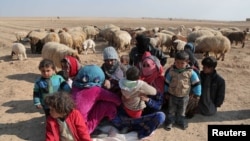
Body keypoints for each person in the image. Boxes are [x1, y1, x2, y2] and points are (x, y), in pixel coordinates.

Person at [111, 52, 166, 140]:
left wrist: (148, 100)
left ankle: (134, 128)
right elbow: (119, 87)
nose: (145, 68)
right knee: (111, 110)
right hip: (129, 112)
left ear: (156, 66)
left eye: (149, 65)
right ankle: (132, 127)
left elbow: (158, 105)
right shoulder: (135, 80)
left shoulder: (159, 82)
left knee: (160, 116)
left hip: (145, 115)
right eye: (144, 65)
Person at [71, 64, 121, 134]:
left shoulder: (75, 86)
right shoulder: (96, 90)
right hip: (84, 129)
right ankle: (116, 121)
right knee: (107, 104)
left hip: (71, 126)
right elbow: (116, 100)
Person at [164, 50, 201, 131]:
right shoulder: (171, 71)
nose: (179, 65)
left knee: (182, 110)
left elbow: (196, 83)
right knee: (171, 109)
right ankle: (170, 121)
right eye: (177, 62)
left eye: (182, 63)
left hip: (184, 96)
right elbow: (167, 82)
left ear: (187, 62)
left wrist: (197, 94)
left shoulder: (191, 72)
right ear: (175, 61)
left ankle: (180, 120)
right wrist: (166, 92)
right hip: (172, 95)